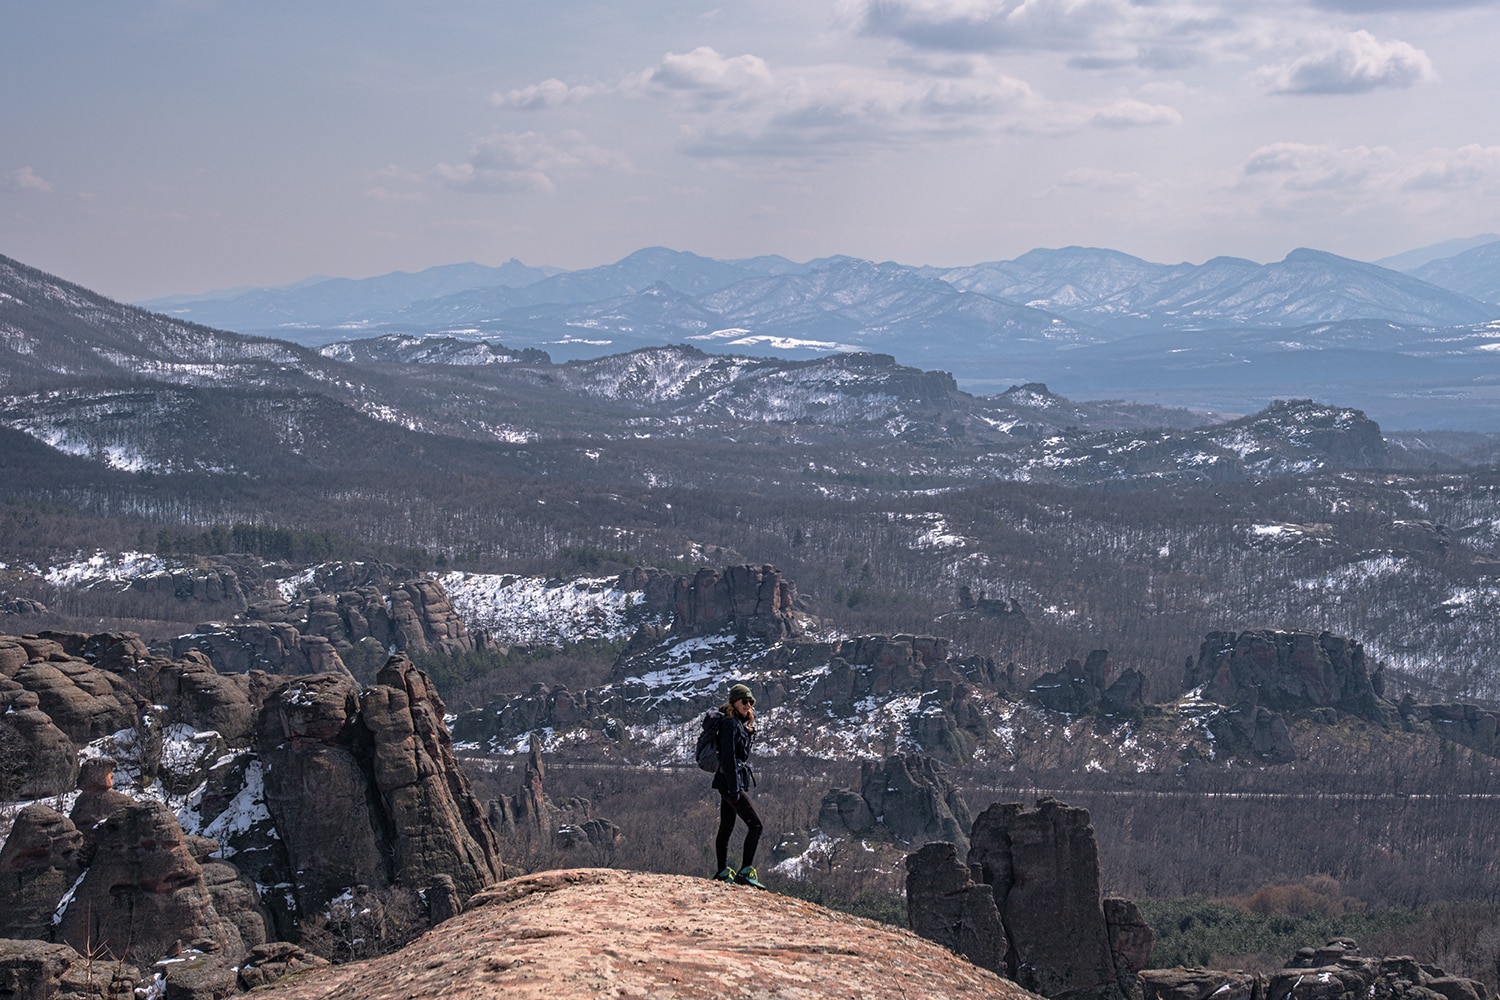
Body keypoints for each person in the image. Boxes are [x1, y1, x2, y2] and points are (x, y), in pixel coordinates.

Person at [712, 682, 766, 888]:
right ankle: (745, 872)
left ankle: (722, 871)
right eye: (744, 701)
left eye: (750, 702)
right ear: (734, 701)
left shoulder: (737, 725)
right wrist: (735, 789)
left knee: (726, 827)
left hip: (728, 782)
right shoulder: (730, 724)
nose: (748, 705)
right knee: (756, 825)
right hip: (730, 783)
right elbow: (728, 758)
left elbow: (737, 754)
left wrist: (747, 733)